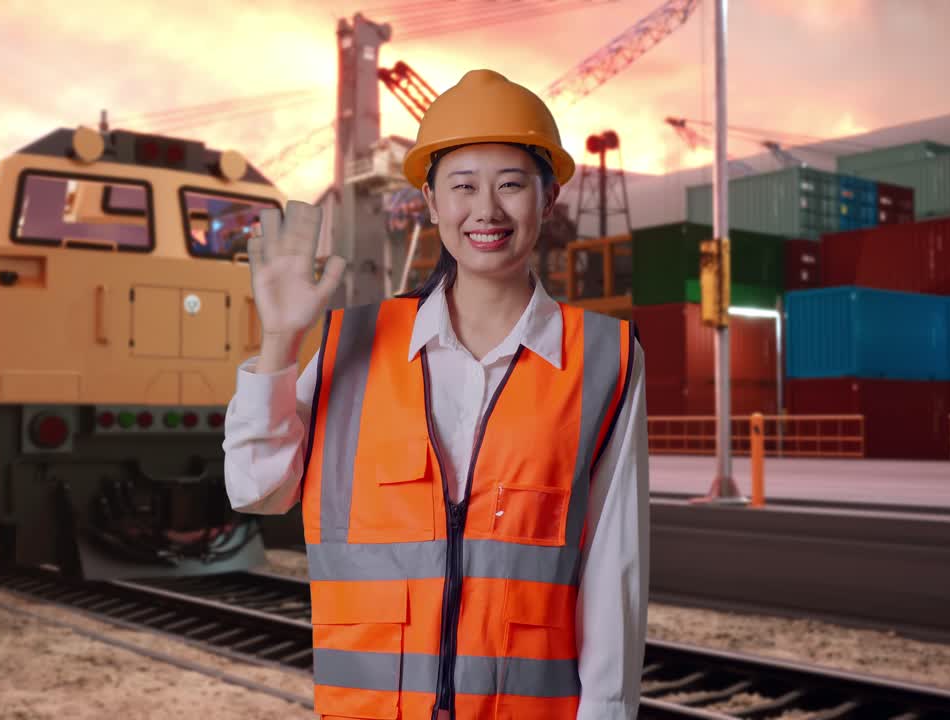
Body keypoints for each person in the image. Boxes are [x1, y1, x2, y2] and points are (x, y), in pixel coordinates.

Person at [223, 68, 649, 720]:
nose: (486, 210)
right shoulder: (355, 344)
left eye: (511, 184)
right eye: (462, 186)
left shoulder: (604, 360)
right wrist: (279, 341)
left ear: (550, 195)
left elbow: (614, 566)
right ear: (427, 199)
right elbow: (256, 488)